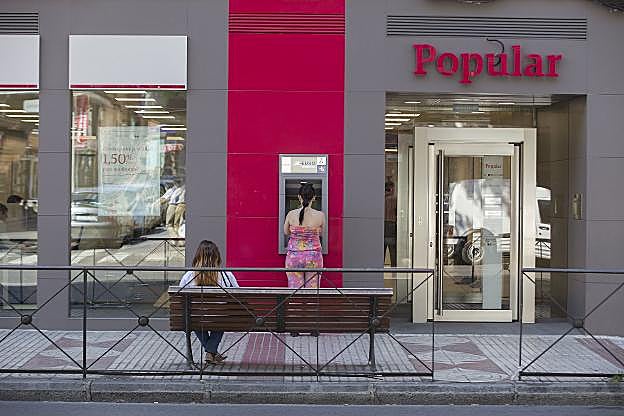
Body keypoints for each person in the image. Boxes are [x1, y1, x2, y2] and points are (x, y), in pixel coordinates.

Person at [178, 240, 238, 366]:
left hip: (196, 318)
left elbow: (179, 296)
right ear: (217, 256)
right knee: (221, 317)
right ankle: (211, 352)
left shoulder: (189, 276)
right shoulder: (226, 275)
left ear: (197, 256)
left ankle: (211, 352)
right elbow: (238, 295)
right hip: (220, 318)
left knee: (194, 317)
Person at [283, 183, 325, 289]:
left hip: (294, 256)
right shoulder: (320, 215)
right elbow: (321, 233)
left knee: (295, 290)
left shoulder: (291, 214)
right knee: (312, 289)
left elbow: (286, 232)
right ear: (314, 198)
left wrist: (298, 233)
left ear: (299, 197)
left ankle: (297, 301)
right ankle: (310, 301)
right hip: (313, 256)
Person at [384, 179, 397, 267]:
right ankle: (394, 271)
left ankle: (379, 271)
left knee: (381, 252)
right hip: (391, 226)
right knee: (393, 253)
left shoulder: (381, 199)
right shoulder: (394, 199)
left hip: (383, 226)